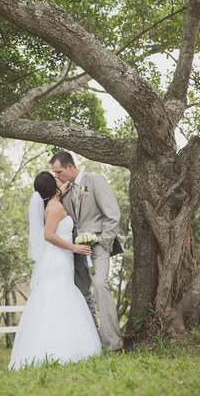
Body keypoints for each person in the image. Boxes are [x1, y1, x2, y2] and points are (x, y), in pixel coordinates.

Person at [8, 171, 102, 371]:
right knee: (59, 296)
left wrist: (63, 188)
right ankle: (59, 349)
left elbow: (57, 198)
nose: (60, 179)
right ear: (52, 187)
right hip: (59, 259)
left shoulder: (50, 203)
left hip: (58, 259)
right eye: (56, 179)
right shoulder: (56, 207)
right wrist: (75, 248)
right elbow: (49, 235)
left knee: (57, 297)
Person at [50, 151, 123, 353]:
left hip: (98, 246)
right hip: (76, 250)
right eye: (54, 173)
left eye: (59, 172)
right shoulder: (64, 191)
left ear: (70, 167)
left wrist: (103, 241)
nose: (56, 176)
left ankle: (113, 345)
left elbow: (112, 214)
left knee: (100, 285)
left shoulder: (95, 180)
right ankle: (95, 342)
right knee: (82, 293)